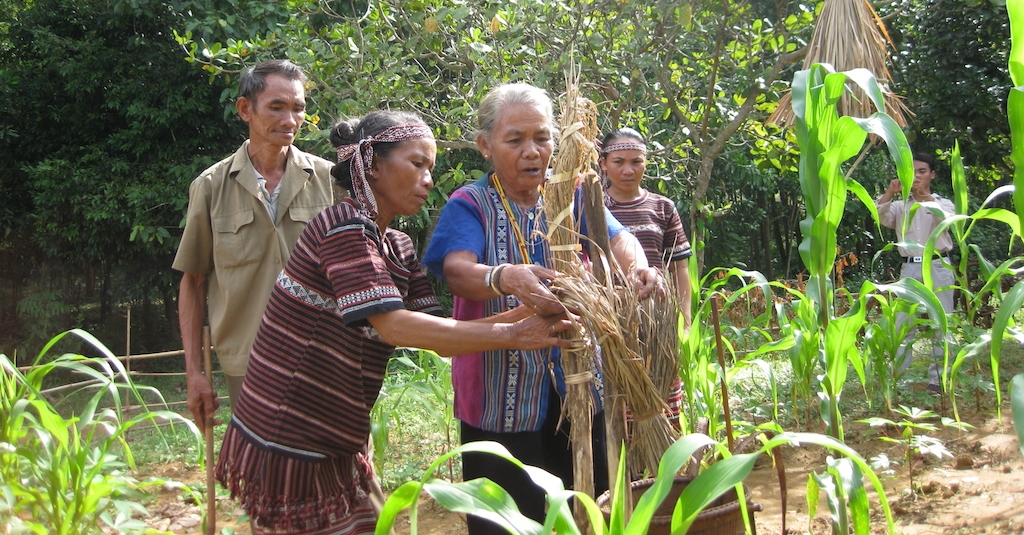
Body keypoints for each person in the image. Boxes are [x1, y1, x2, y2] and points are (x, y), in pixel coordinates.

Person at [215, 111, 572, 535]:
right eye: (417, 164)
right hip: (290, 429)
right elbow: (395, 327)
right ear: (373, 166)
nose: (427, 179)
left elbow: (436, 335)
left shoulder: (396, 246)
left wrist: (534, 313)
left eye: (431, 169)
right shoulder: (342, 227)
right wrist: (513, 333)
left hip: (339, 432)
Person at [422, 83, 660, 534]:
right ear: (485, 146)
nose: (532, 151)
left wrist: (639, 268)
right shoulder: (470, 204)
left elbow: (618, 238)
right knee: (508, 517)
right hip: (500, 396)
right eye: (515, 140)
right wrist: (503, 276)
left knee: (589, 503)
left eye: (543, 137)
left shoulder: (569, 194)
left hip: (578, 383)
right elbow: (457, 271)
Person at [173, 59, 336, 433]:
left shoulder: (330, 180)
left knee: (330, 476)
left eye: (298, 108)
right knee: (263, 482)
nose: (290, 119)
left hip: (325, 360)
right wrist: (195, 374)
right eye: (276, 107)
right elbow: (193, 281)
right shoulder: (212, 187)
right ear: (246, 109)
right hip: (249, 366)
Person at [598, 127, 692, 437]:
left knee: (663, 397)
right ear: (603, 164)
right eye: (618, 161)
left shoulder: (663, 207)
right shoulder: (592, 207)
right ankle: (628, 475)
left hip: (657, 320)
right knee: (618, 401)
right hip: (611, 321)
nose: (628, 170)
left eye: (636, 162)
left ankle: (669, 468)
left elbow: (679, 268)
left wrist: (685, 318)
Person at [876, 151, 956, 393]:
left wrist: (926, 199)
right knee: (903, 324)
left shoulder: (944, 203)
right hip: (910, 269)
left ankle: (939, 380)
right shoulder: (900, 206)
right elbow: (881, 215)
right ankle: (901, 379)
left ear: (932, 174)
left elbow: (948, 221)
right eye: (912, 172)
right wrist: (890, 192)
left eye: (922, 171)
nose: (917, 176)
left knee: (941, 323)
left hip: (939, 265)